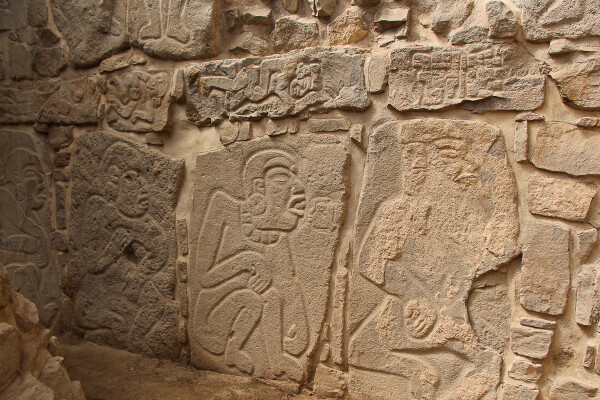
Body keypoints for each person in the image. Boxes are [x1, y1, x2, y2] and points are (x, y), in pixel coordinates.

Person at [192, 149, 308, 381]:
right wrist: (249, 261)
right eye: (280, 179)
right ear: (258, 186)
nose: (294, 187)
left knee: (270, 297)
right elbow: (203, 276)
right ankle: (234, 350)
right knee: (258, 298)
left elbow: (288, 284)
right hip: (212, 319)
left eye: (292, 180)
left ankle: (276, 362)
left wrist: (301, 331)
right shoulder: (223, 207)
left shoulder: (274, 234)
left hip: (246, 302)